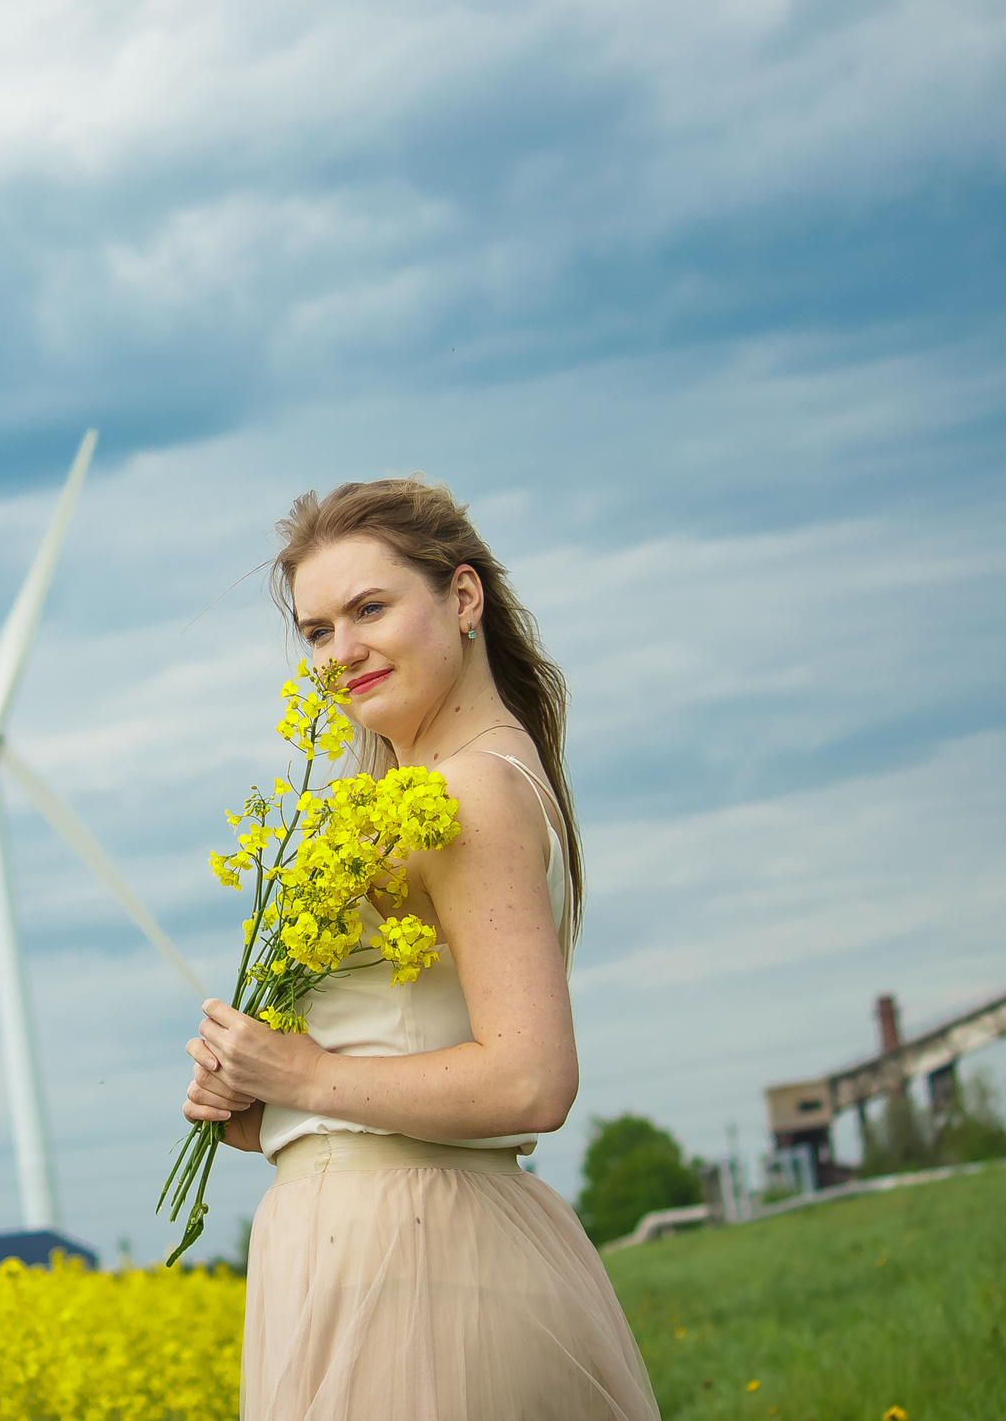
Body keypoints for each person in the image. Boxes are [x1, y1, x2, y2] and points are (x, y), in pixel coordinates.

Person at [181, 477, 660, 1420]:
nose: (341, 652)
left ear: (463, 597)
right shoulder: (426, 787)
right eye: (317, 630)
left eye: (370, 609)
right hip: (380, 1244)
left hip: (417, 1260)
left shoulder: (470, 790)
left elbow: (531, 1080)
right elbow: (407, 1041)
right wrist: (265, 1104)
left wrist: (303, 1074)